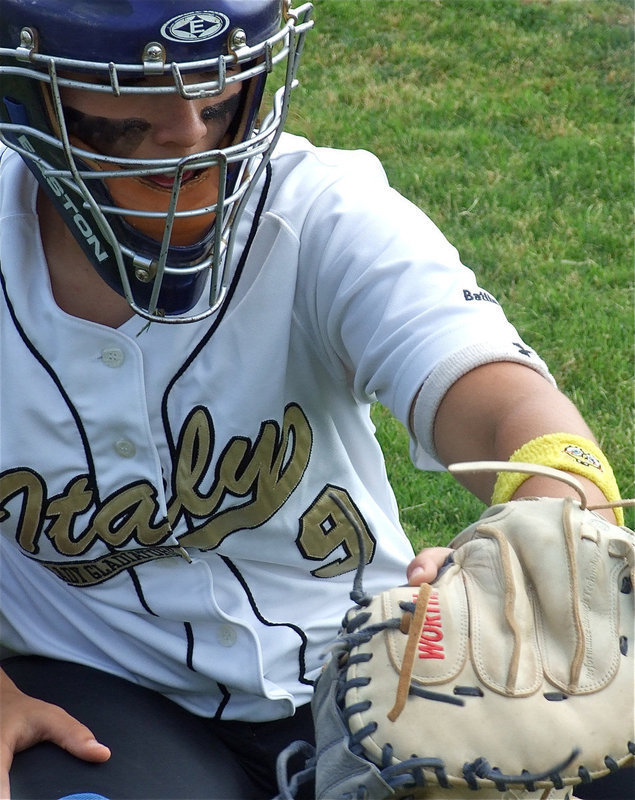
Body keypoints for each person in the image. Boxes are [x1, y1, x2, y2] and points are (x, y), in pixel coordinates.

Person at [0, 1, 629, 798]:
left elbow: (504, 403)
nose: (189, 130)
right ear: (29, 97)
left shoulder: (319, 208)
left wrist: (547, 532)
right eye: (129, 101)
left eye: (218, 93)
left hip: (371, 652)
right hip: (99, 690)